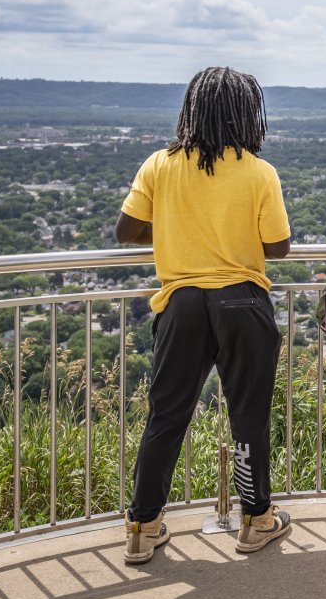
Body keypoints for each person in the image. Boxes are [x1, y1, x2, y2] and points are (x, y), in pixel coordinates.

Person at [116, 67, 293, 565]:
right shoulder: (258, 171)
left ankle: (143, 526)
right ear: (246, 114)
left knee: (166, 416)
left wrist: (178, 229)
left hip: (183, 304)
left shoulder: (160, 165)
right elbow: (277, 246)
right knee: (248, 416)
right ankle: (256, 520)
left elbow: (126, 231)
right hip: (242, 301)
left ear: (190, 108)